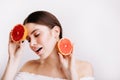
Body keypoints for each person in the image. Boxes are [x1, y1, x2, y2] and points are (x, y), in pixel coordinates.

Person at [1, 11, 94, 80]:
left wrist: (72, 76)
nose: (32, 43)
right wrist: (12, 59)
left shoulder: (84, 68)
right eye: (28, 40)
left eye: (37, 34)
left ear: (55, 32)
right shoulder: (28, 66)